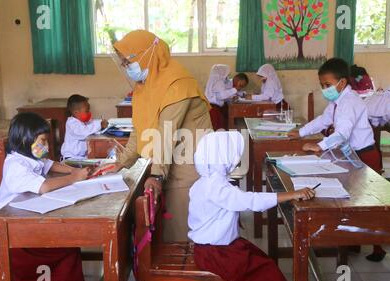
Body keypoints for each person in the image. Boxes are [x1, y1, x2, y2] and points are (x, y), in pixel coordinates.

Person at [94, 30, 213, 241]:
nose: (126, 67)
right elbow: (139, 129)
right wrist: (120, 163)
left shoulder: (177, 83)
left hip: (189, 169)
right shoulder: (145, 87)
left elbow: (166, 133)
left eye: (127, 61)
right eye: (122, 63)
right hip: (166, 164)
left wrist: (157, 175)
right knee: (164, 231)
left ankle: (186, 272)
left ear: (146, 54)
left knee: (183, 236)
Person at [189, 131, 315, 281]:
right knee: (268, 277)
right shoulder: (217, 187)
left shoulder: (203, 182)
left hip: (210, 250)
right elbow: (251, 201)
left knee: (259, 260)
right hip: (217, 254)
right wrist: (292, 194)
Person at [0, 113, 92, 281]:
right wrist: (74, 178)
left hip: (23, 225)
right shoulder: (15, 165)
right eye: (43, 141)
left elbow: (51, 165)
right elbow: (44, 186)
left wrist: (75, 170)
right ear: (26, 139)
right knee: (66, 251)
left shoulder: (30, 156)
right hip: (4, 235)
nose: (47, 147)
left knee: (68, 246)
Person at [288, 58, 386, 262]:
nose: (324, 89)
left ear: (341, 83)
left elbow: (342, 133)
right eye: (322, 85)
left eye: (327, 85)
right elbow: (324, 120)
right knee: (351, 198)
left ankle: (379, 247)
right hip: (353, 155)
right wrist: (302, 132)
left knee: (370, 202)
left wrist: (319, 145)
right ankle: (352, 241)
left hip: (365, 155)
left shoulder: (349, 102)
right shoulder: (337, 101)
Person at [61, 94, 108, 160]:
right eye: (87, 111)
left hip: (81, 157)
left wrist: (101, 123)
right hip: (71, 158)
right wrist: (100, 125)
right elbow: (84, 132)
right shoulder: (72, 123)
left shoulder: (83, 121)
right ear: (76, 112)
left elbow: (92, 123)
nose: (89, 113)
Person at [205, 64, 249, 130]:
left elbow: (221, 95)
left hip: (215, 105)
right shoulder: (219, 82)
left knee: (221, 125)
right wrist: (235, 89)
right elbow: (222, 96)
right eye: (226, 73)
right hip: (213, 106)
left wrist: (236, 94)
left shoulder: (219, 80)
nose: (227, 75)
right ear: (222, 72)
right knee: (219, 126)